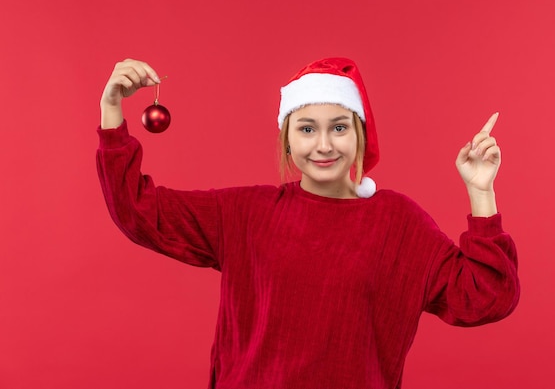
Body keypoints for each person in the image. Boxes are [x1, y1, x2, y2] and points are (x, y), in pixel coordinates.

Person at [97, 57, 520, 389]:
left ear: (360, 136)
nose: (323, 145)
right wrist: (111, 107)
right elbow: (138, 211)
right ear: (287, 139)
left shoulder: (398, 223)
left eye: (338, 127)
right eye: (306, 129)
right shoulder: (246, 213)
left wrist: (481, 191)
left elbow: (487, 296)